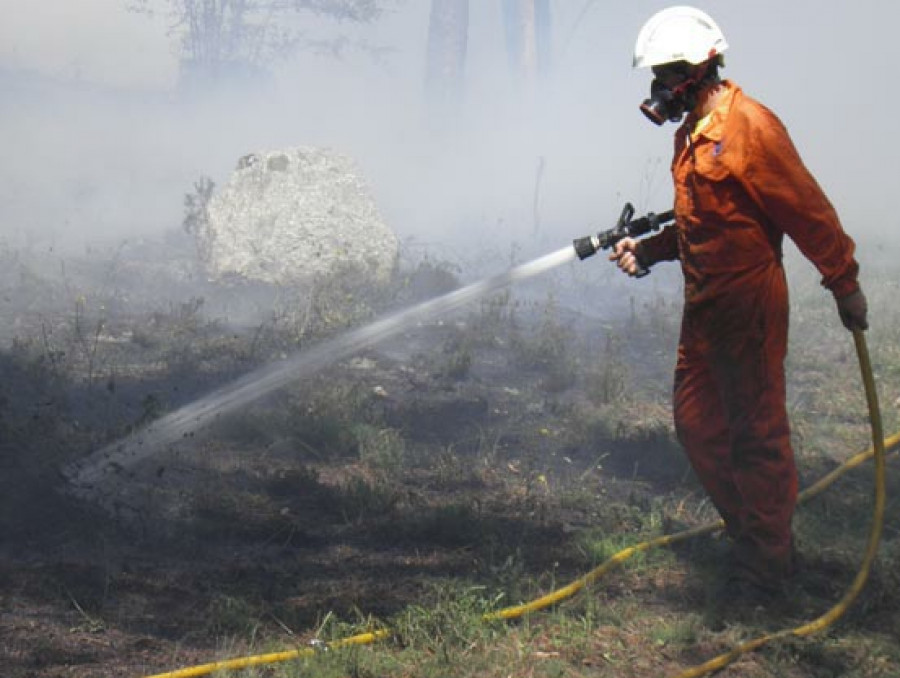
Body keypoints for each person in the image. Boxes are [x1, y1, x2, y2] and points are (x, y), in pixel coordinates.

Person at [609, 6, 869, 596]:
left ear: (700, 69)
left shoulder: (751, 127)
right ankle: (753, 534)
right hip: (704, 309)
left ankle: (767, 565)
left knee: (756, 435)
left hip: (749, 305)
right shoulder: (689, 137)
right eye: (655, 75)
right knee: (696, 426)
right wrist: (648, 252)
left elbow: (807, 210)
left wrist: (843, 282)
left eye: (667, 73)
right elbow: (703, 222)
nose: (658, 88)